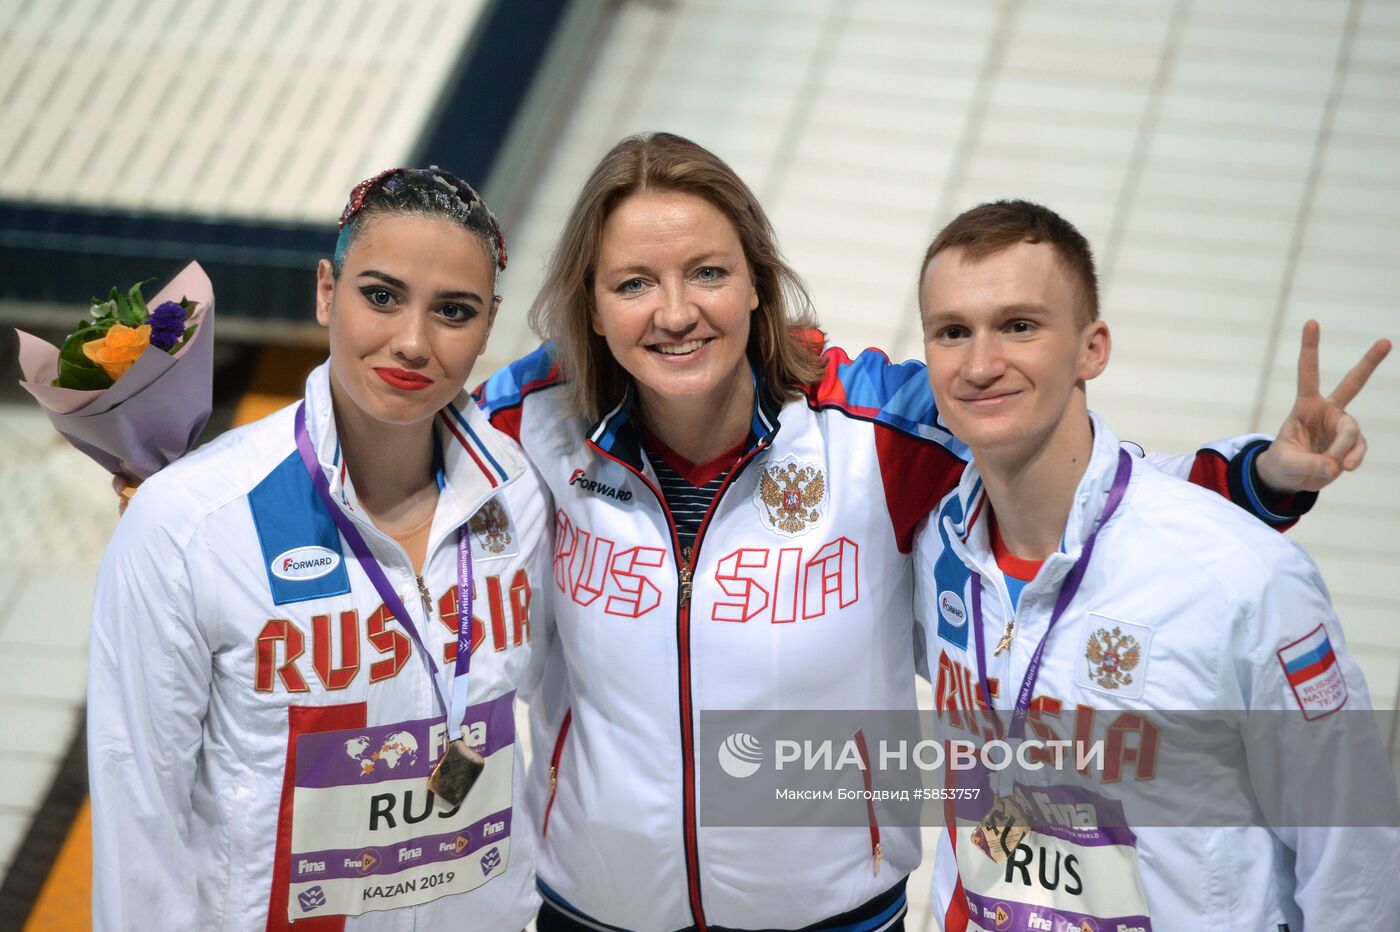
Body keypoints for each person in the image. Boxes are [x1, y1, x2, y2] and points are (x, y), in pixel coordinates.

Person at [474, 132, 1380, 931]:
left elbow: (1083, 485)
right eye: (634, 283)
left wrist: (1260, 479)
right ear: (591, 306)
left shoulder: (874, 426)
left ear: (758, 284)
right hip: (593, 911)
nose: (675, 312)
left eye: (708, 272)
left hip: (832, 917)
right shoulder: (529, 426)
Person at [911, 200, 1398, 930]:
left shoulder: (1241, 580)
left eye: (1019, 325)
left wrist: (1265, 476)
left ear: (1092, 349)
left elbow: (1351, 857)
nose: (980, 364)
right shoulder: (933, 546)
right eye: (953, 332)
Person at [87, 168, 552, 929]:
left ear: (490, 322)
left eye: (454, 312)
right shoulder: (194, 523)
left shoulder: (522, 498)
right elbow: (139, 801)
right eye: (380, 295)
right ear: (325, 290)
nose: (412, 340)